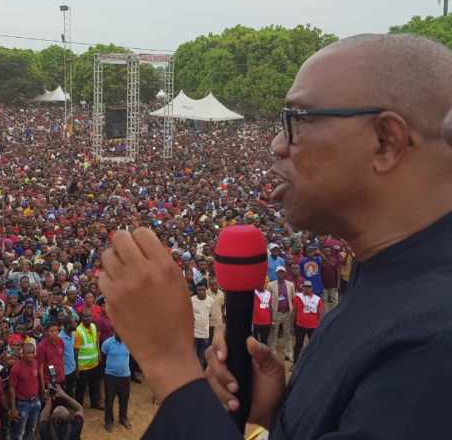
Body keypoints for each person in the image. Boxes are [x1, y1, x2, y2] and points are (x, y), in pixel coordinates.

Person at [99, 34, 452, 438]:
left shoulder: (436, 343)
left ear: (386, 141)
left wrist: (171, 364)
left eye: (297, 120)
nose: (277, 144)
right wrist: (288, 413)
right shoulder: (389, 279)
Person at [8, 342, 44, 440]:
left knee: (31, 429)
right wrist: (13, 408)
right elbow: (12, 388)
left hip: (35, 401)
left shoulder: (36, 363)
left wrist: (42, 395)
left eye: (33, 352)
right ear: (22, 354)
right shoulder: (16, 368)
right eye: (28, 353)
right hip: (22, 404)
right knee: (20, 432)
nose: (31, 355)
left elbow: (38, 380)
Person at [100, 332, 131, 432]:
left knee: (124, 399)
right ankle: (109, 421)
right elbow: (103, 358)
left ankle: (123, 418)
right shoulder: (107, 343)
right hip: (110, 376)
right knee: (109, 400)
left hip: (125, 376)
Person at [72, 310, 100, 410]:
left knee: (94, 386)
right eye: (85, 316)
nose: (88, 318)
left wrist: (99, 355)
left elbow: (96, 342)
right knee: (80, 389)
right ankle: (78, 407)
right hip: (83, 366)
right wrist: (76, 368)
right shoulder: (78, 331)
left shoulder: (93, 326)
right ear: (81, 318)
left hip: (94, 364)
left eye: (89, 316)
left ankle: (95, 403)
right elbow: (76, 351)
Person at [266, 265, 295, 361]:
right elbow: (268, 299)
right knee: (273, 333)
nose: (280, 274)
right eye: (279, 272)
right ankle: (272, 352)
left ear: (285, 273)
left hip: (287, 313)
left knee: (288, 334)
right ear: (276, 273)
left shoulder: (290, 284)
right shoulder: (270, 285)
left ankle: (289, 352)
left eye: (282, 272)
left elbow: (292, 297)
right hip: (276, 313)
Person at [292, 281, 323, 364]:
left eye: (309, 287)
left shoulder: (318, 299)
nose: (307, 288)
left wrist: (320, 326)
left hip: (313, 326)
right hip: (300, 325)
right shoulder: (297, 297)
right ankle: (295, 363)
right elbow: (294, 312)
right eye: (305, 286)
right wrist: (292, 325)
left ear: (312, 288)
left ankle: (315, 363)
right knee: (298, 345)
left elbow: (320, 314)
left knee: (314, 345)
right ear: (303, 287)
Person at [190, 282, 213, 368]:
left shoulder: (211, 301)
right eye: (199, 290)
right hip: (193, 334)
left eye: (203, 289)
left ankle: (202, 374)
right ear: (196, 290)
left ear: (206, 290)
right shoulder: (192, 300)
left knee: (203, 355)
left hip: (205, 334)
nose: (201, 292)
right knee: (193, 355)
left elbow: (210, 315)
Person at [251, 281, 273, 345]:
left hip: (266, 322)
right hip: (255, 322)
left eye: (264, 284)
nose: (262, 285)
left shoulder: (269, 294)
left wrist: (271, 320)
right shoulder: (253, 293)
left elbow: (270, 307)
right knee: (255, 341)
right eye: (260, 284)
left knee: (265, 340)